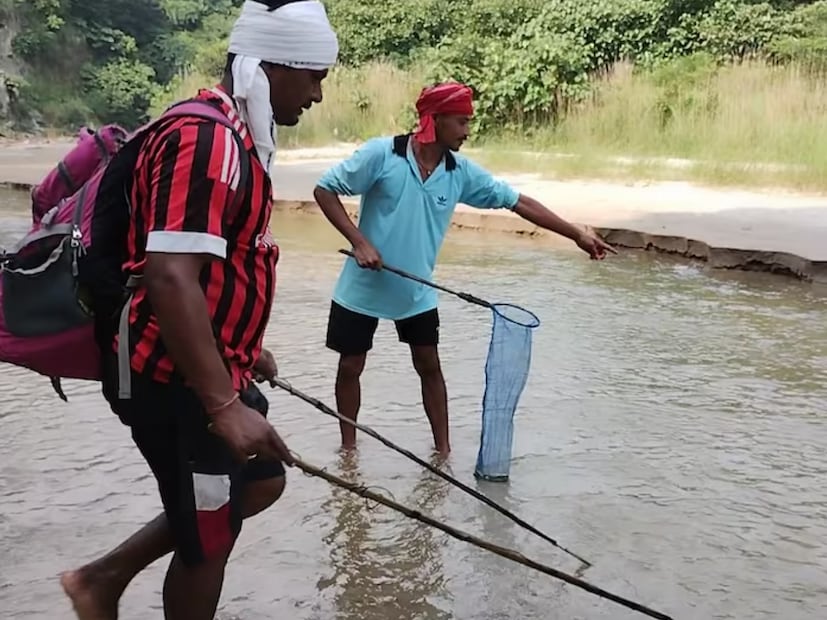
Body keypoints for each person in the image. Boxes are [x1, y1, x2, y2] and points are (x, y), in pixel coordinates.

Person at [60, 2, 338, 619]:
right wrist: (221, 403)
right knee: (208, 538)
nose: (318, 94)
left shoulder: (231, 135)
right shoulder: (207, 138)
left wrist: (242, 345)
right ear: (268, 68)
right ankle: (100, 581)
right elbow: (168, 273)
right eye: (313, 75)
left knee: (261, 478)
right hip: (169, 378)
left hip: (203, 367)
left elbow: (212, 264)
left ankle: (101, 579)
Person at [313, 82, 616, 456]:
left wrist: (576, 235)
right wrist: (359, 241)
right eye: (460, 122)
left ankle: (444, 453)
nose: (467, 132)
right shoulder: (382, 154)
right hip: (361, 287)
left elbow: (519, 203)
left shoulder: (459, 172)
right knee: (351, 366)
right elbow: (325, 189)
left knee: (430, 366)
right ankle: (349, 451)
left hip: (416, 291)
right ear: (434, 120)